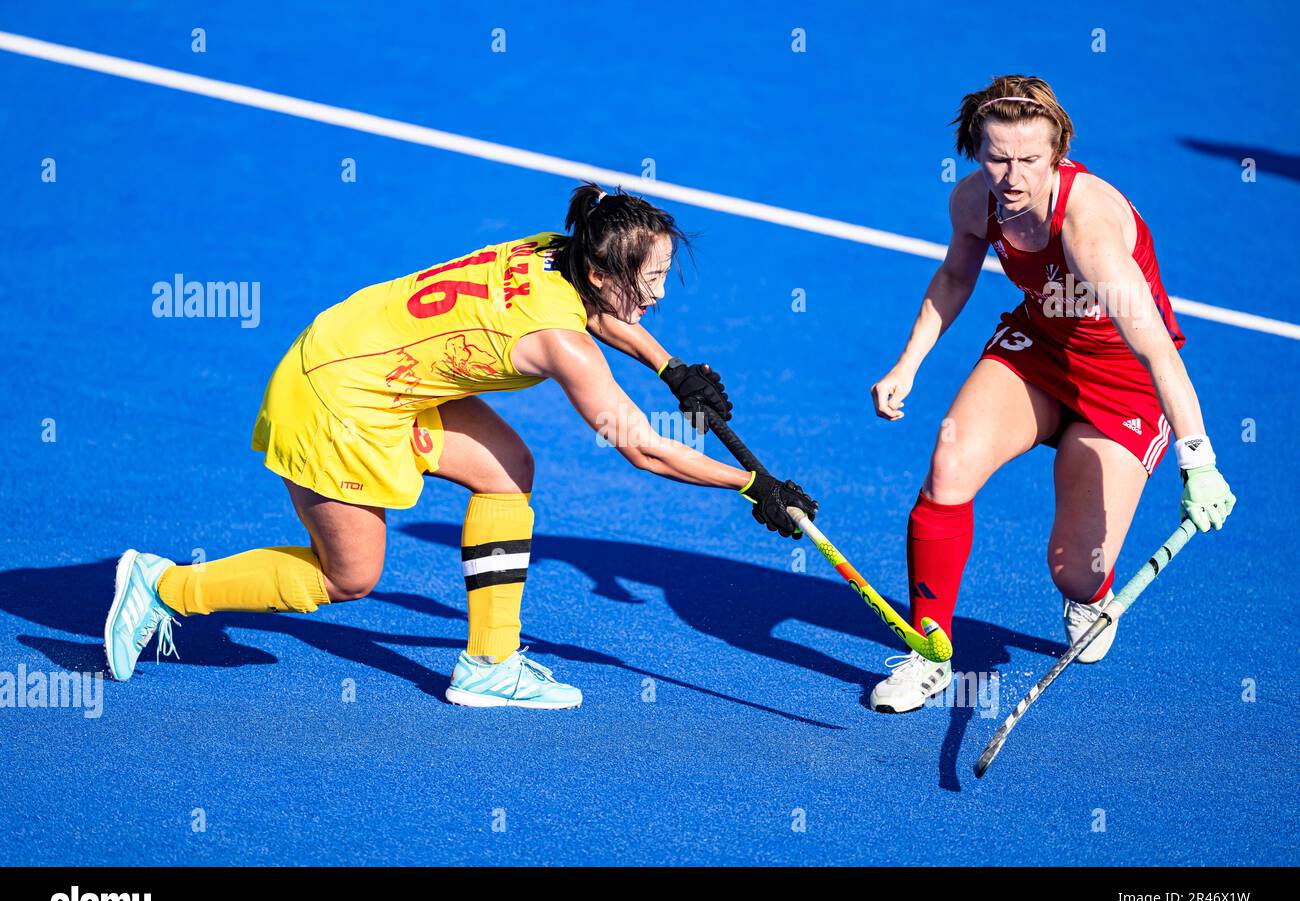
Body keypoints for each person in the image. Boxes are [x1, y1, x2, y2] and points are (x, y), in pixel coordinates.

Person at [104, 183, 818, 709]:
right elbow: (641, 447)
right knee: (349, 578)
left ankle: (487, 663)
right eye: (651, 279)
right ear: (603, 271)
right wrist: (751, 485)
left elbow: (601, 313)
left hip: (365, 353)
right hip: (337, 400)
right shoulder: (560, 344)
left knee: (509, 470)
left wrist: (669, 368)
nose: (659, 294)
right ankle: (165, 587)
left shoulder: (558, 249)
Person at [868, 76, 1235, 713]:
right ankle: (930, 655)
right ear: (974, 149)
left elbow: (1154, 351)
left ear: (1058, 153)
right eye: (997, 156)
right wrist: (908, 364)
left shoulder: (1088, 230)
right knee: (948, 466)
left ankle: (1089, 598)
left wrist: (1198, 461)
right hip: (1038, 353)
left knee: (1076, 569)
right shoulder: (973, 201)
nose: (1012, 175)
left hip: (1122, 382)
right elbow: (957, 274)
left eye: (1030, 159)